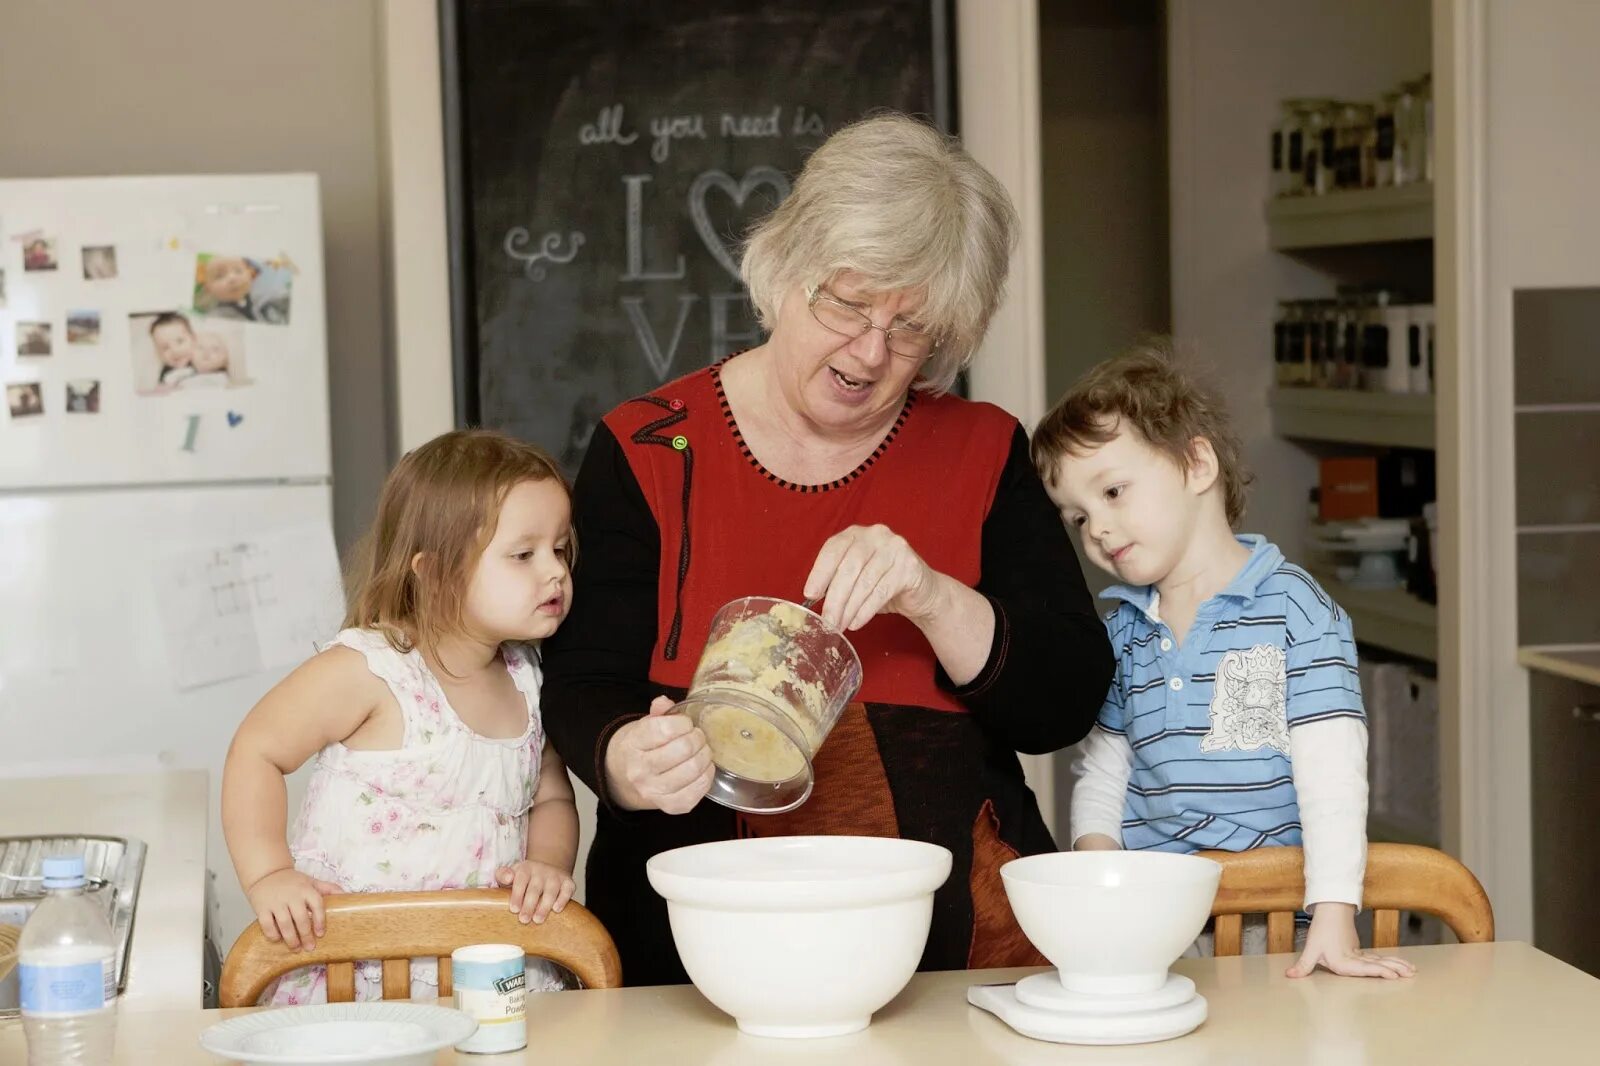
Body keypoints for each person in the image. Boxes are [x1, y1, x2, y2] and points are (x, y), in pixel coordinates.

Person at [542, 113, 1114, 986]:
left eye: (912, 328)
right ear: (784, 272)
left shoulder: (985, 449)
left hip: (953, 970)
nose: (871, 351)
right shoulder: (650, 449)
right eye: (848, 303)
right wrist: (625, 757)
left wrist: (930, 594)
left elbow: (1063, 701)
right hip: (696, 962)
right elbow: (581, 685)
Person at [1032, 343, 1416, 980]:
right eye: (1078, 517)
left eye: (1114, 492)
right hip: (1157, 928)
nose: (1096, 527)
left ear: (1196, 463)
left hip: (1277, 926)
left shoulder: (1296, 611)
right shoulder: (1122, 630)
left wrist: (1334, 913)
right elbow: (1104, 769)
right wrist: (1099, 873)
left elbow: (1333, 777)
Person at [222, 430, 581, 1003]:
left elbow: (551, 798)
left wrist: (546, 863)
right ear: (435, 571)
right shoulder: (372, 669)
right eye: (523, 554)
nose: (555, 571)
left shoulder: (528, 680)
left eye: (560, 549)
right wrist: (269, 874)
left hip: (479, 972)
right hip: (351, 971)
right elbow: (257, 750)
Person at [149, 312, 198, 388]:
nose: (175, 351)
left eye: (180, 341)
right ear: (159, 354)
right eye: (165, 347)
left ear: (194, 339)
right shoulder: (166, 374)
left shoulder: (202, 359)